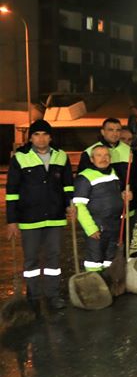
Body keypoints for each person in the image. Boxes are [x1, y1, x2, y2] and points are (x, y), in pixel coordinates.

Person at [6, 119, 74, 311]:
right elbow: (11, 192)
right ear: (30, 138)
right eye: (36, 134)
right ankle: (33, 297)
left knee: (54, 258)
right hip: (29, 218)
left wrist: (70, 204)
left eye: (45, 134)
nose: (41, 138)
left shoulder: (61, 156)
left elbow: (68, 184)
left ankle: (53, 295)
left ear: (50, 137)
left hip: (55, 216)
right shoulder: (20, 158)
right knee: (31, 260)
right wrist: (12, 221)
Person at [73, 145, 130, 272]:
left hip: (114, 225)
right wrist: (91, 229)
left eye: (106, 155)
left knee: (110, 259)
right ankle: (94, 283)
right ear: (92, 159)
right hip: (97, 227)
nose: (103, 158)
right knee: (94, 260)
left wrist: (124, 196)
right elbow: (79, 206)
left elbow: (114, 195)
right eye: (99, 155)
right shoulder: (84, 177)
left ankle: (109, 281)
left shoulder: (113, 173)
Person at [77, 117, 137, 210]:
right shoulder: (89, 152)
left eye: (118, 130)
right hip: (101, 206)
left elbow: (136, 177)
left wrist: (133, 192)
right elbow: (83, 182)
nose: (115, 133)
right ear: (103, 132)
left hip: (127, 205)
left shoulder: (130, 151)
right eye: (110, 130)